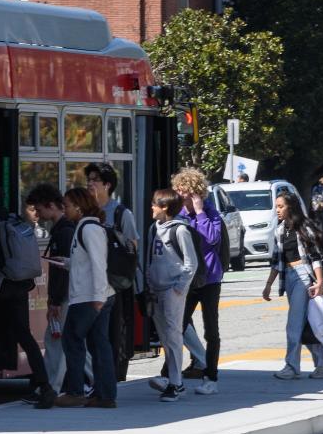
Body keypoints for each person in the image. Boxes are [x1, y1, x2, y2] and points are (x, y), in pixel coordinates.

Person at [0, 185, 55, 409]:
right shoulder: (12, 217)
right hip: (20, 285)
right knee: (25, 335)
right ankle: (42, 383)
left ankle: (40, 383)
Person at [54, 187, 117, 408]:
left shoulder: (89, 228)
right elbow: (88, 261)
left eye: (67, 205)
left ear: (79, 207)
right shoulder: (86, 226)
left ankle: (75, 391)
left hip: (90, 297)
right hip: (96, 295)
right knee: (98, 344)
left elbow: (100, 263)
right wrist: (68, 263)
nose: (65, 209)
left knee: (72, 340)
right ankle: (104, 395)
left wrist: (98, 297)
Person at [262, 191, 323, 379]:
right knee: (305, 323)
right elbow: (277, 260)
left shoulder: (304, 227)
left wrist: (319, 282)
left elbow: (315, 257)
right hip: (290, 277)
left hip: (304, 276)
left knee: (294, 325)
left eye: (280, 206)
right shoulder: (280, 230)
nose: (277, 210)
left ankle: (292, 367)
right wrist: (269, 284)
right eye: (276, 206)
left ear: (290, 207)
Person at [25, 182, 84, 394]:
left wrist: (55, 302)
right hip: (70, 295)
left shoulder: (63, 232)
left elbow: (62, 270)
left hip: (65, 296)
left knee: (55, 341)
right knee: (72, 342)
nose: (37, 214)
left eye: (39, 209)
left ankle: (51, 387)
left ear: (51, 205)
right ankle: (96, 382)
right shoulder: (65, 229)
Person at [171, 168, 223, 395]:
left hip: (210, 278)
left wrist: (200, 212)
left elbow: (212, 238)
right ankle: (168, 376)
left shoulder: (210, 213)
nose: (182, 199)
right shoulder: (179, 215)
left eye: (186, 194)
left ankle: (210, 376)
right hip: (188, 278)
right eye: (179, 193)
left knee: (211, 330)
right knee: (177, 326)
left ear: (197, 194)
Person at [84, 162, 138, 382]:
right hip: (91, 280)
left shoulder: (120, 212)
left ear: (107, 185)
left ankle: (114, 376)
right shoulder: (87, 211)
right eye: (88, 179)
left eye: (94, 180)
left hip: (115, 283)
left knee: (114, 331)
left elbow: (133, 246)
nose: (90, 183)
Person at [144, 189, 199, 402]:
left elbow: (190, 262)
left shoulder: (180, 230)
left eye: (154, 204)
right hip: (156, 289)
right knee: (165, 336)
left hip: (172, 289)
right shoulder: (153, 229)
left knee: (174, 334)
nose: (152, 207)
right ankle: (174, 379)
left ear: (165, 207)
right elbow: (151, 258)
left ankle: (176, 382)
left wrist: (179, 286)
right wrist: (149, 282)